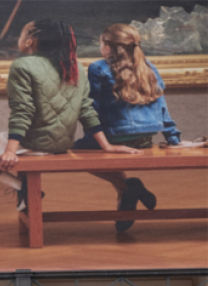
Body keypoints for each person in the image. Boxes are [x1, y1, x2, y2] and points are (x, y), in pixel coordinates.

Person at [0, 19, 140, 229]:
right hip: (61, 142)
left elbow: (22, 111)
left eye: (22, 34)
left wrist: (10, 151)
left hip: (34, 143)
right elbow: (86, 109)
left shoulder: (22, 65)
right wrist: (107, 146)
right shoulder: (74, 65)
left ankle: (22, 187)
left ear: (31, 41)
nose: (19, 39)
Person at [75, 23, 184, 233]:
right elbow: (161, 104)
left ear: (107, 46)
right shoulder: (149, 66)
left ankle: (128, 187)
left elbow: (92, 107)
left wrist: (98, 140)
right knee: (98, 150)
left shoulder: (98, 67)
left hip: (116, 135)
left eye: (101, 42)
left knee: (78, 153)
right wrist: (173, 138)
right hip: (145, 138)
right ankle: (126, 192)